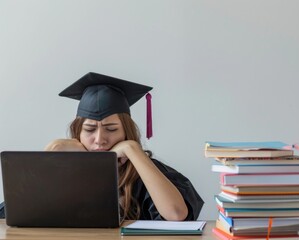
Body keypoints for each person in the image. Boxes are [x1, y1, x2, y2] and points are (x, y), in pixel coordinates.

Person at [14, 72, 203, 222]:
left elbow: (177, 214)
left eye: (111, 129)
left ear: (126, 132)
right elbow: (20, 214)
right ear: (77, 133)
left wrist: (133, 150)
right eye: (89, 130)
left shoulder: (144, 172)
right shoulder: (66, 173)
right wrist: (52, 152)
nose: (99, 140)